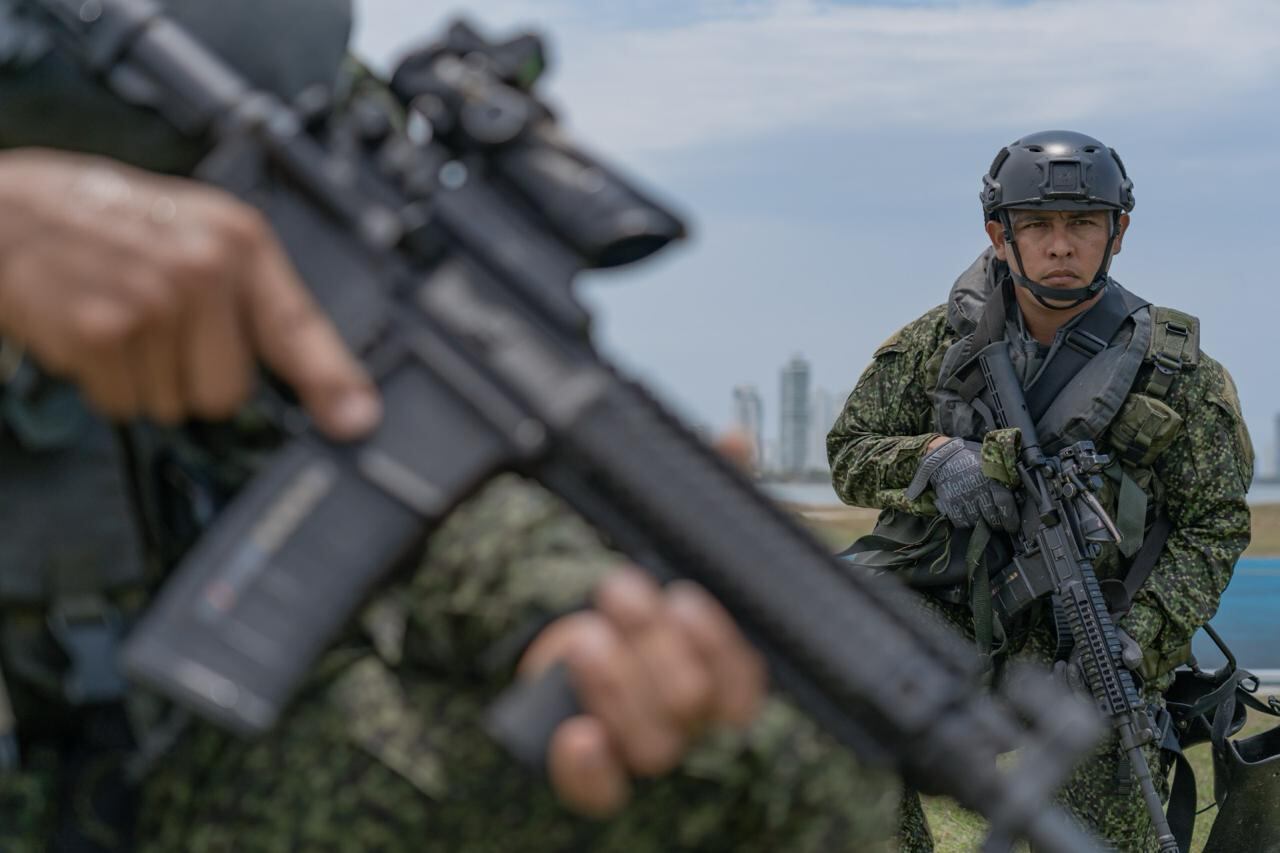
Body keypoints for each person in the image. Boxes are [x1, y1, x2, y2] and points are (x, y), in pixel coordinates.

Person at [0, 17, 900, 851]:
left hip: (160, 749)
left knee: (777, 755)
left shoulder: (284, 91)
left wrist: (565, 611)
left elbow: (403, 441)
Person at [827, 130, 1254, 851]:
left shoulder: (1178, 375)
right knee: (840, 697)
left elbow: (1213, 524)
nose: (1061, 245)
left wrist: (1137, 636)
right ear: (1000, 235)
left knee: (1106, 806)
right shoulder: (942, 343)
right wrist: (934, 458)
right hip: (953, 611)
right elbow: (850, 453)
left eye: (1083, 223)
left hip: (1098, 630)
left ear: (1117, 234)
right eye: (1038, 226)